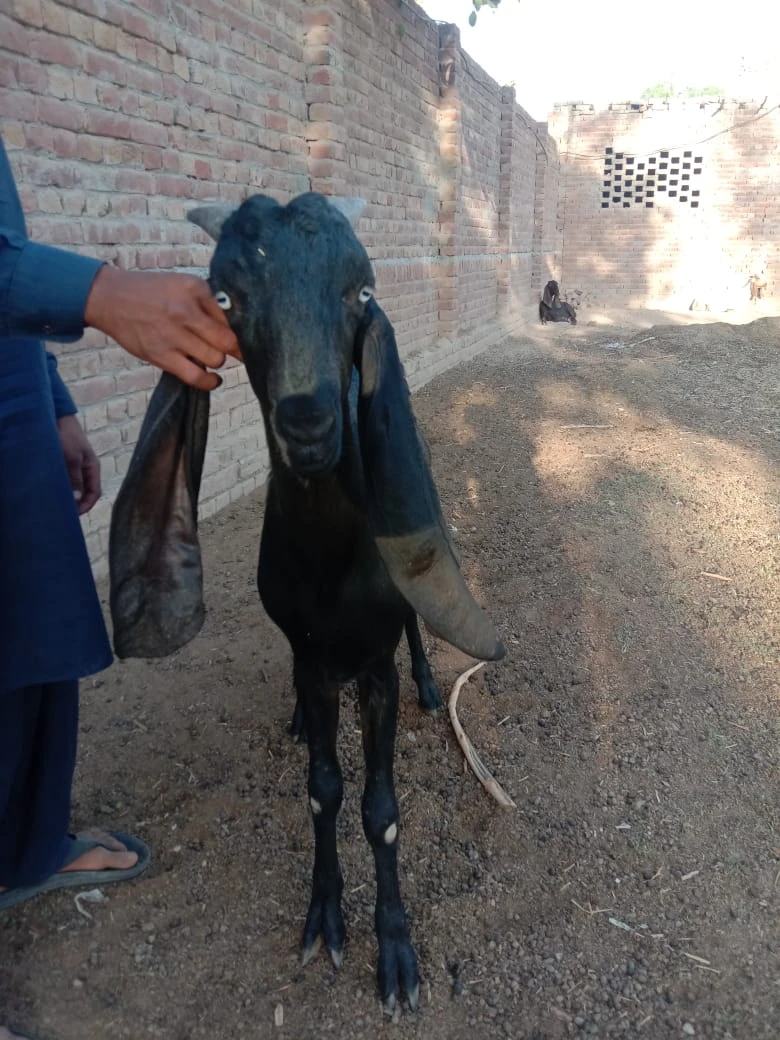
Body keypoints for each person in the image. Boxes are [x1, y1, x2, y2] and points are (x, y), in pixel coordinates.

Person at [0, 134, 241, 1040]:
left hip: (12, 397)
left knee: (31, 642)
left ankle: (25, 850)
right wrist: (100, 294)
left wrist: (54, 403)